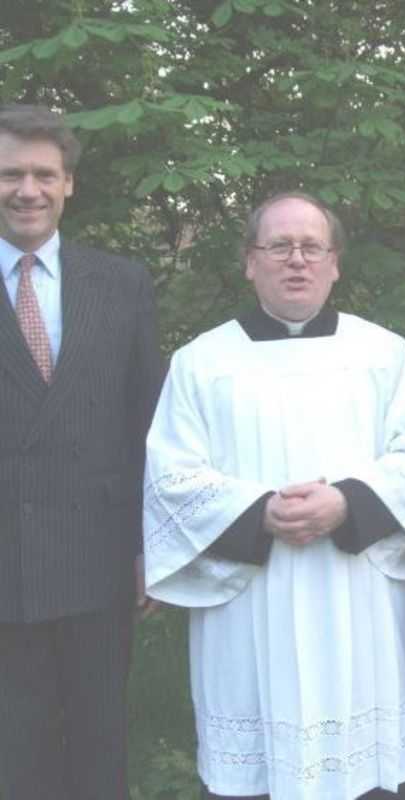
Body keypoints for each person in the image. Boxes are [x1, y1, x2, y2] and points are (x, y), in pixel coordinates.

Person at [143, 192, 405, 800]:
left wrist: (348, 504)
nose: (296, 260)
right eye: (279, 246)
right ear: (250, 261)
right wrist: (260, 513)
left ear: (335, 262)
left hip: (362, 601)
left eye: (312, 247)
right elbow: (171, 475)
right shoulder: (202, 361)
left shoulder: (381, 353)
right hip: (253, 604)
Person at [0, 105, 163, 799]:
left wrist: (146, 545)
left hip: (97, 558)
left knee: (100, 744)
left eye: (43, 174)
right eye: (9, 174)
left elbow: (145, 424)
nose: (26, 190)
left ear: (69, 184)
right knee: (14, 750)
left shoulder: (120, 283)